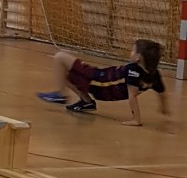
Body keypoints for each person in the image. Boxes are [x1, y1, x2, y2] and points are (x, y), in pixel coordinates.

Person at [39, 39, 169, 122]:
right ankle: (87, 102)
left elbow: (132, 96)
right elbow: (162, 93)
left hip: (97, 81)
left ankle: (60, 94)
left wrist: (136, 120)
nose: (130, 53)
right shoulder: (154, 75)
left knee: (59, 57)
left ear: (138, 58)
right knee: (66, 74)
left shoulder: (133, 71)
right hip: (100, 83)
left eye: (132, 51)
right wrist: (164, 108)